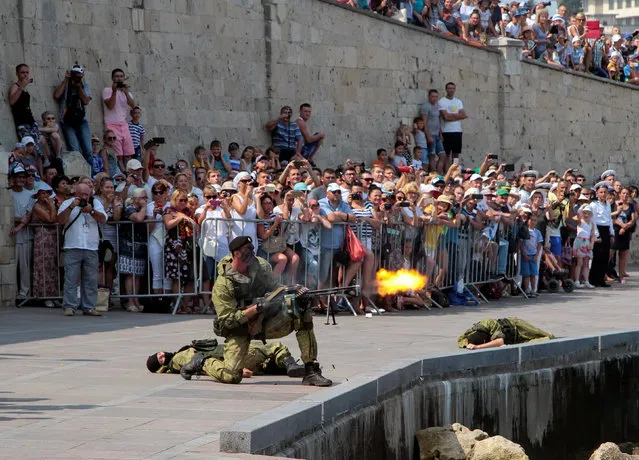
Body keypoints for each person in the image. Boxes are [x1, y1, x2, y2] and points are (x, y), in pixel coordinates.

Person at [206, 235, 332, 386]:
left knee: (301, 312)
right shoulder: (223, 285)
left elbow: (276, 289)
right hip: (239, 329)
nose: (252, 252)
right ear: (236, 254)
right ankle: (202, 362)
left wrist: (293, 295)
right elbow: (228, 320)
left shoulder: (261, 266)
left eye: (252, 248)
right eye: (247, 250)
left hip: (264, 322)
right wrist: (256, 308)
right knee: (232, 376)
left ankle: (311, 370)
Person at [57, 183, 107, 316]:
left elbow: (103, 219)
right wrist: (72, 206)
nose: (84, 197)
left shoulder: (95, 203)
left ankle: (89, 307)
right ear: (76, 194)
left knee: (91, 278)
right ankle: (69, 306)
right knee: (71, 277)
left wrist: (91, 211)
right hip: (73, 245)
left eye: (86, 194)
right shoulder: (67, 203)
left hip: (91, 246)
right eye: (81, 195)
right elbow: (60, 220)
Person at [146, 339, 305, 380]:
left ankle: (288, 366)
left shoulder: (178, 356)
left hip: (233, 355)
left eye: (159, 353)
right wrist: (236, 371)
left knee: (266, 355)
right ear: (161, 367)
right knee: (274, 348)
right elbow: (202, 362)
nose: (161, 355)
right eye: (159, 359)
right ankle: (288, 363)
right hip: (232, 357)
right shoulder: (178, 358)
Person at [163, 189, 199, 313]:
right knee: (176, 277)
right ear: (174, 200)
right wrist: (180, 218)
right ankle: (177, 304)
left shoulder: (189, 212)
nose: (184, 202)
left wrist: (186, 217)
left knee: (189, 277)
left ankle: (184, 304)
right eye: (181, 200)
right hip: (174, 246)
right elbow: (168, 224)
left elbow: (196, 227)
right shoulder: (169, 210)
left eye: (185, 200)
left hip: (187, 245)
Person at [53, 64, 92, 164]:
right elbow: (57, 95)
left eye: (79, 75)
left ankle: (91, 173)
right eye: (75, 74)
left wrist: (79, 87)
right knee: (74, 148)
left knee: (88, 149)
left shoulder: (84, 85)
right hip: (67, 121)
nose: (77, 77)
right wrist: (66, 80)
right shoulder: (65, 84)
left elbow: (86, 101)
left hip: (81, 120)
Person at [118, 187, 149, 312]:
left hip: (139, 244)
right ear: (135, 198)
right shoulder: (129, 208)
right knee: (130, 275)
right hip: (128, 245)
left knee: (138, 275)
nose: (145, 200)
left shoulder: (140, 208)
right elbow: (138, 218)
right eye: (143, 197)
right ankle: (130, 301)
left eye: (146, 198)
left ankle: (136, 300)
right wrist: (144, 207)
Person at [30, 183, 60, 307]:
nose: (46, 195)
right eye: (43, 193)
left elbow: (57, 218)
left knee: (52, 265)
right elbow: (50, 219)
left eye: (47, 193)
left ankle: (53, 294)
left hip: (52, 237)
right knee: (42, 265)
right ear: (37, 195)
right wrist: (52, 206)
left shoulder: (50, 205)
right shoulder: (37, 206)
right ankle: (43, 295)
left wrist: (52, 207)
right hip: (42, 237)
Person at [9, 64, 45, 160]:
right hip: (22, 123)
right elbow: (12, 101)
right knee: (31, 149)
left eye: (27, 72)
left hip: (30, 121)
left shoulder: (24, 88)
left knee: (40, 145)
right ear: (17, 74)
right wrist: (21, 87)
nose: (25, 75)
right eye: (22, 72)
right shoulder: (16, 86)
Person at [102, 68, 136, 172]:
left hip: (124, 125)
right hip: (112, 124)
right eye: (117, 76)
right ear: (112, 78)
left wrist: (126, 92)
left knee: (128, 154)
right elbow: (110, 105)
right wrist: (114, 91)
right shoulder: (107, 90)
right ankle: (123, 173)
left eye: (121, 76)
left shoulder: (126, 92)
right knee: (119, 155)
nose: (119, 78)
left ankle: (129, 173)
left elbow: (132, 105)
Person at [9, 166, 33, 303]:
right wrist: (17, 220)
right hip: (10, 235)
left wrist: (20, 224)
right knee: (12, 266)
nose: (21, 180)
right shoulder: (8, 193)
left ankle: (24, 293)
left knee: (24, 267)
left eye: (23, 177)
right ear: (13, 178)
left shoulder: (29, 195)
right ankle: (13, 292)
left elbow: (28, 215)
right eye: (18, 177)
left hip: (25, 235)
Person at [458, 317, 555, 349]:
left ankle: (551, 337)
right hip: (514, 340)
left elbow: (499, 342)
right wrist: (470, 345)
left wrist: (478, 347)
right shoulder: (466, 337)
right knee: (531, 344)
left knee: (546, 336)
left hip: (518, 327)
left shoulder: (489, 323)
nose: (485, 342)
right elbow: (462, 341)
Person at [589, 182, 614, 287]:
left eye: (605, 192)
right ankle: (593, 279)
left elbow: (609, 219)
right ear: (597, 193)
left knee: (605, 256)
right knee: (598, 256)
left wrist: (612, 233)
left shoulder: (608, 204)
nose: (603, 194)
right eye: (601, 192)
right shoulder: (593, 204)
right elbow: (592, 220)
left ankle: (601, 279)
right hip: (598, 229)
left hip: (606, 230)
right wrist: (596, 234)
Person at [438, 82, 466, 168]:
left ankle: (455, 169)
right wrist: (457, 116)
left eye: (453, 88)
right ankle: (447, 170)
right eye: (449, 88)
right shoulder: (442, 101)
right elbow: (445, 117)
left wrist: (451, 116)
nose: (451, 90)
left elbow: (463, 115)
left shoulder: (458, 101)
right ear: (446, 89)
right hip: (446, 131)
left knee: (456, 153)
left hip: (457, 131)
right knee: (446, 154)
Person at [573, 204, 596, 289]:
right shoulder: (580, 221)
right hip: (579, 242)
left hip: (587, 243)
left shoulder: (591, 223)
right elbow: (578, 213)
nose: (586, 215)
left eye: (588, 213)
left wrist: (592, 243)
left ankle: (586, 281)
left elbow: (592, 235)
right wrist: (583, 206)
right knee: (579, 263)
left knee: (586, 263)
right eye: (585, 213)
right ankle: (577, 281)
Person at [520, 213, 543, 297]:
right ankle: (527, 289)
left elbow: (539, 244)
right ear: (528, 220)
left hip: (533, 255)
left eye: (535, 220)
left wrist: (536, 256)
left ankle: (533, 290)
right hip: (526, 255)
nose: (533, 222)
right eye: (531, 220)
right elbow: (521, 244)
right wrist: (524, 254)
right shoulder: (524, 230)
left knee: (533, 274)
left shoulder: (537, 232)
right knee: (526, 274)